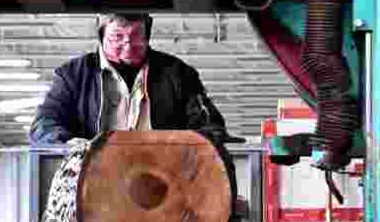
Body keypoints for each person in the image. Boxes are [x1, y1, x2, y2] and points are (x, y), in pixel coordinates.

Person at [29, 13, 232, 146]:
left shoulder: (179, 74)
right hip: (92, 182)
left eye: (136, 36)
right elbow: (43, 125)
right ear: (101, 36)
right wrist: (66, 143)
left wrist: (187, 144)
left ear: (148, 35)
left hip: (166, 182)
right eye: (117, 37)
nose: (127, 46)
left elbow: (211, 125)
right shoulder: (72, 76)